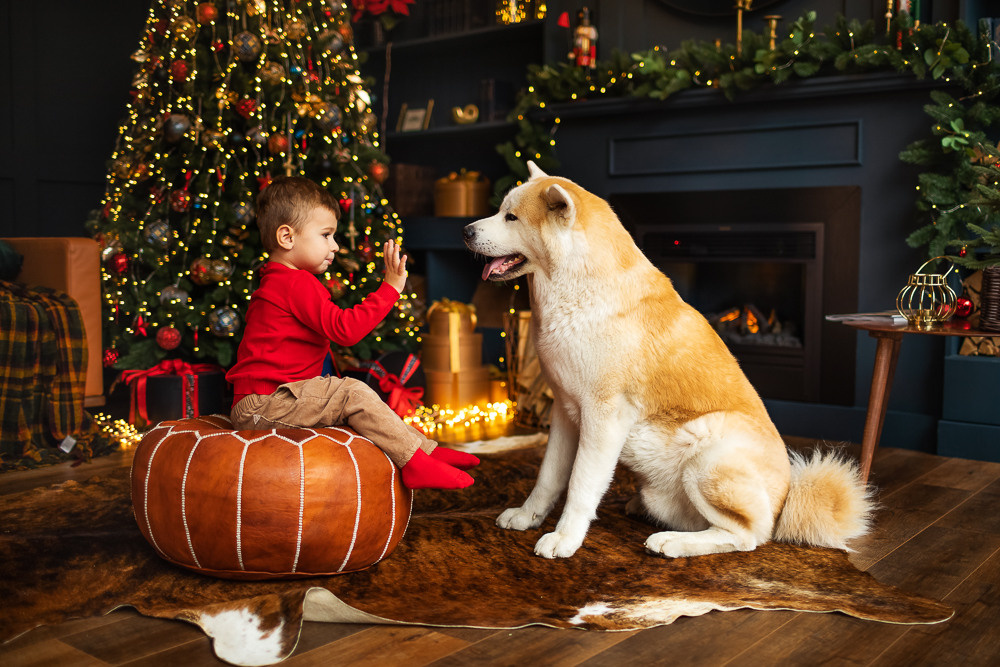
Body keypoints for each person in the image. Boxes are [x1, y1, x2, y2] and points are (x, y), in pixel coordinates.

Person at [226, 176, 477, 489]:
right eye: (326, 235)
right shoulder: (295, 283)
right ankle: (416, 462)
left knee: (349, 395)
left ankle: (426, 451)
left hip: (272, 399)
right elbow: (345, 330)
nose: (335, 246)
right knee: (351, 392)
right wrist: (390, 289)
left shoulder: (280, 280)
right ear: (287, 237)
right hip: (265, 404)